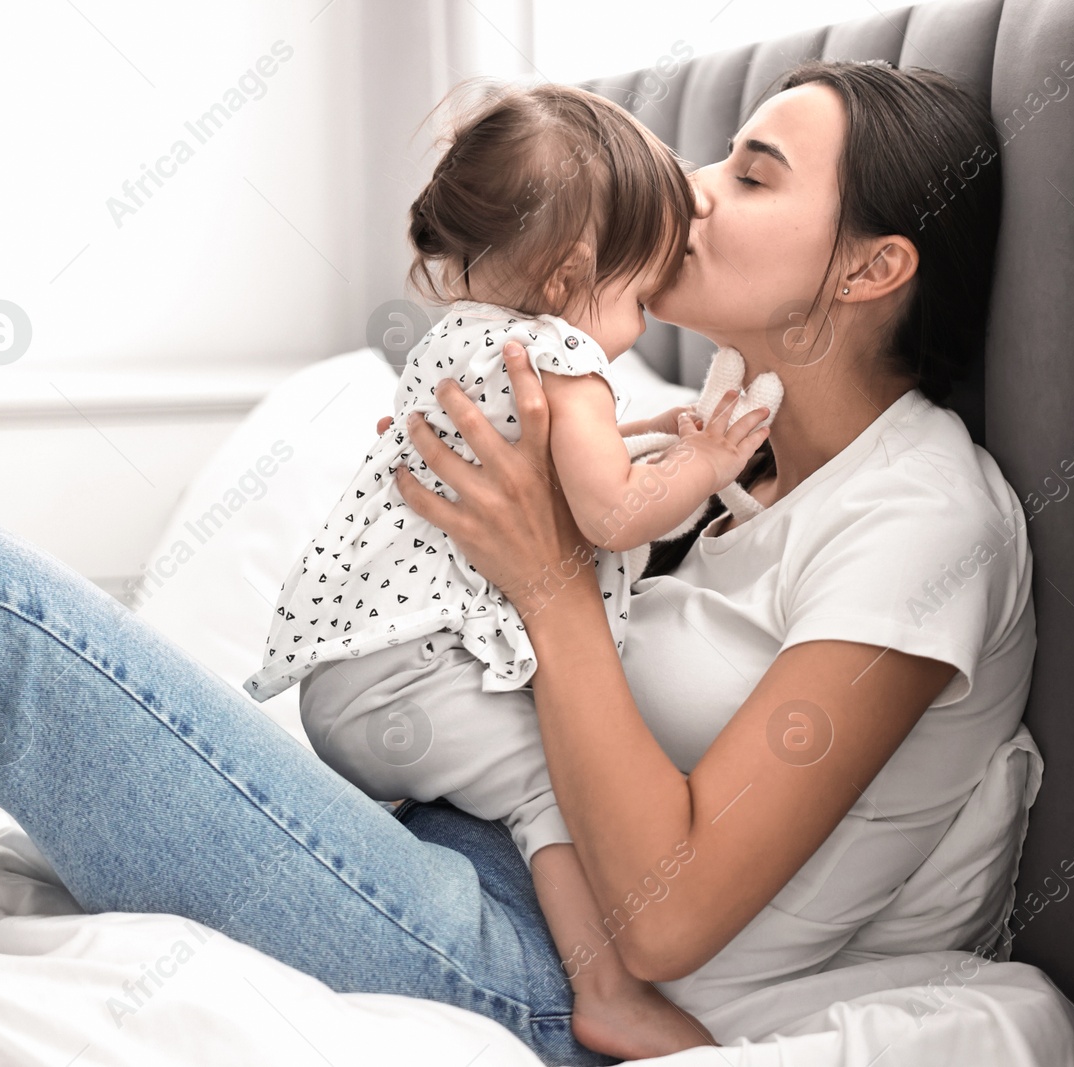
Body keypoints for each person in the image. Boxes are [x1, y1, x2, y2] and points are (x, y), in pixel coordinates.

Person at [0, 58, 1030, 1067]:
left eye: (750, 176)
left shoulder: (919, 524)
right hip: (436, 841)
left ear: (872, 268)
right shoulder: (735, 446)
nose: (693, 192)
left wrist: (551, 581)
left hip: (538, 963)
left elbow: (665, 919)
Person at [245, 80, 778, 1055]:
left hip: (350, 681)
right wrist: (704, 463)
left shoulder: (465, 337)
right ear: (574, 277)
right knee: (550, 786)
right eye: (637, 293)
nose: (638, 323)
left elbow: (556, 459)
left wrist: (643, 430)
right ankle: (606, 988)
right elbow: (611, 515)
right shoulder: (563, 353)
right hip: (410, 679)